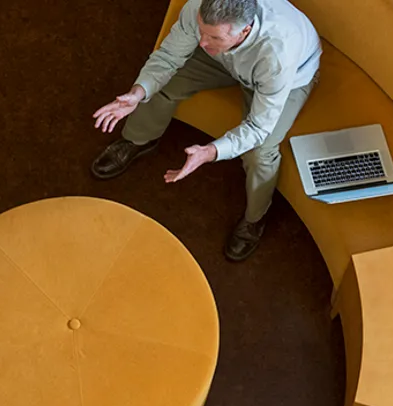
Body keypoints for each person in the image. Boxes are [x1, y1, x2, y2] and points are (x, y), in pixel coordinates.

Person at [91, 0, 321, 262]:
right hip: (225, 57)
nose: (201, 41)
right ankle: (138, 140)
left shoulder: (278, 54)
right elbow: (168, 58)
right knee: (162, 85)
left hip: (289, 78)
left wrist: (211, 151)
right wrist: (137, 92)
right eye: (201, 30)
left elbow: (258, 127)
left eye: (212, 35)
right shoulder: (201, 11)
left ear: (243, 31)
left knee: (260, 152)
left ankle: (254, 219)